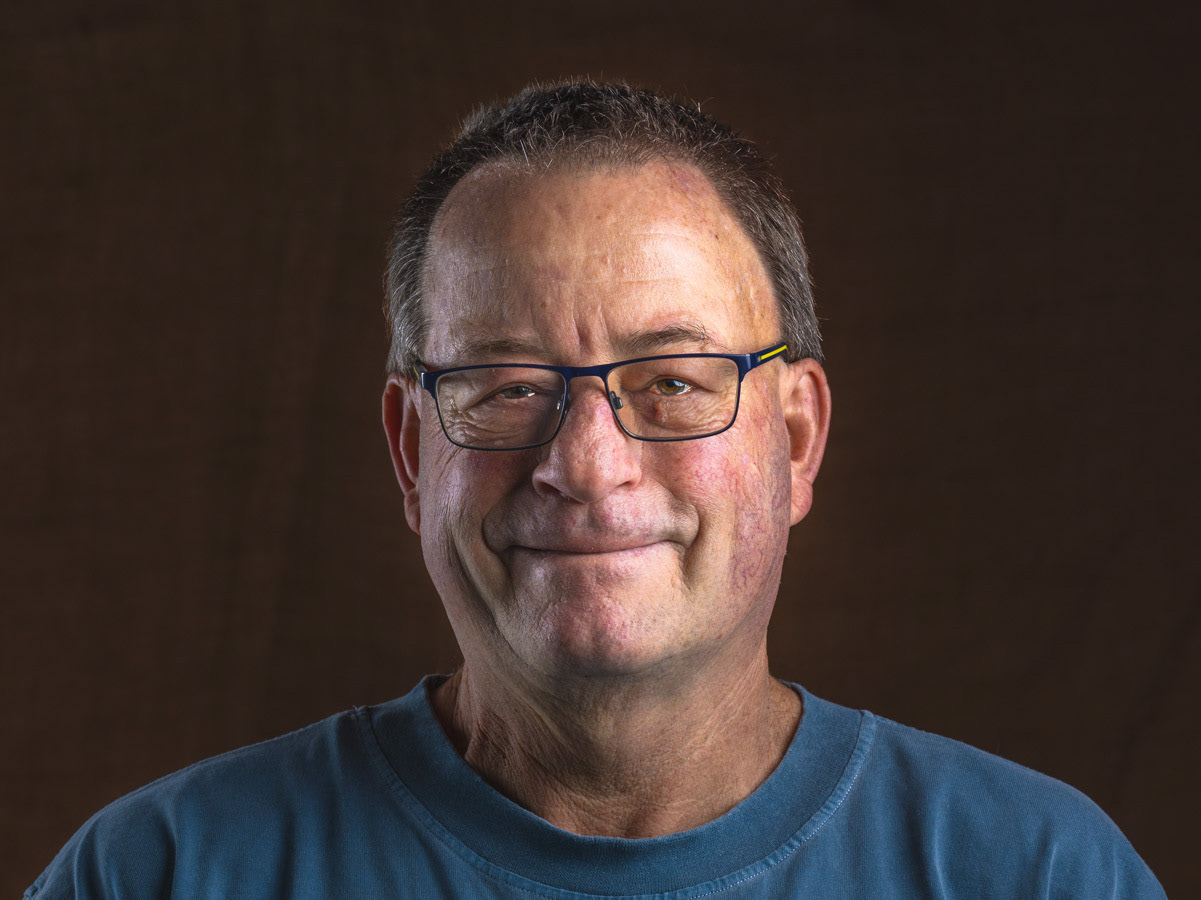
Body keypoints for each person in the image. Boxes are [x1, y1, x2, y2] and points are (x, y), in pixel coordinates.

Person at [26, 80, 1165, 899]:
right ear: (412, 452)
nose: (583, 463)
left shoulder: (1035, 871)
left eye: (671, 382)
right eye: (507, 388)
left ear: (797, 436)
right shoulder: (162, 873)